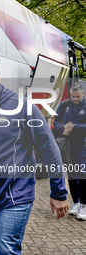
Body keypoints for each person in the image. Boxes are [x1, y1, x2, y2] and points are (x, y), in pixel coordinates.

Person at [0, 58, 69, 254]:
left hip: (15, 196)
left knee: (6, 250)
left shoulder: (23, 107)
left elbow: (49, 150)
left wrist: (58, 192)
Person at [53, 84, 86, 220]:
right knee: (72, 173)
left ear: (83, 94)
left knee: (83, 174)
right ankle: (76, 203)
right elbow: (56, 122)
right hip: (68, 145)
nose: (75, 99)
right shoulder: (64, 104)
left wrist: (74, 127)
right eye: (73, 96)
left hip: (83, 144)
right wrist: (63, 128)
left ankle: (84, 205)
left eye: (77, 96)